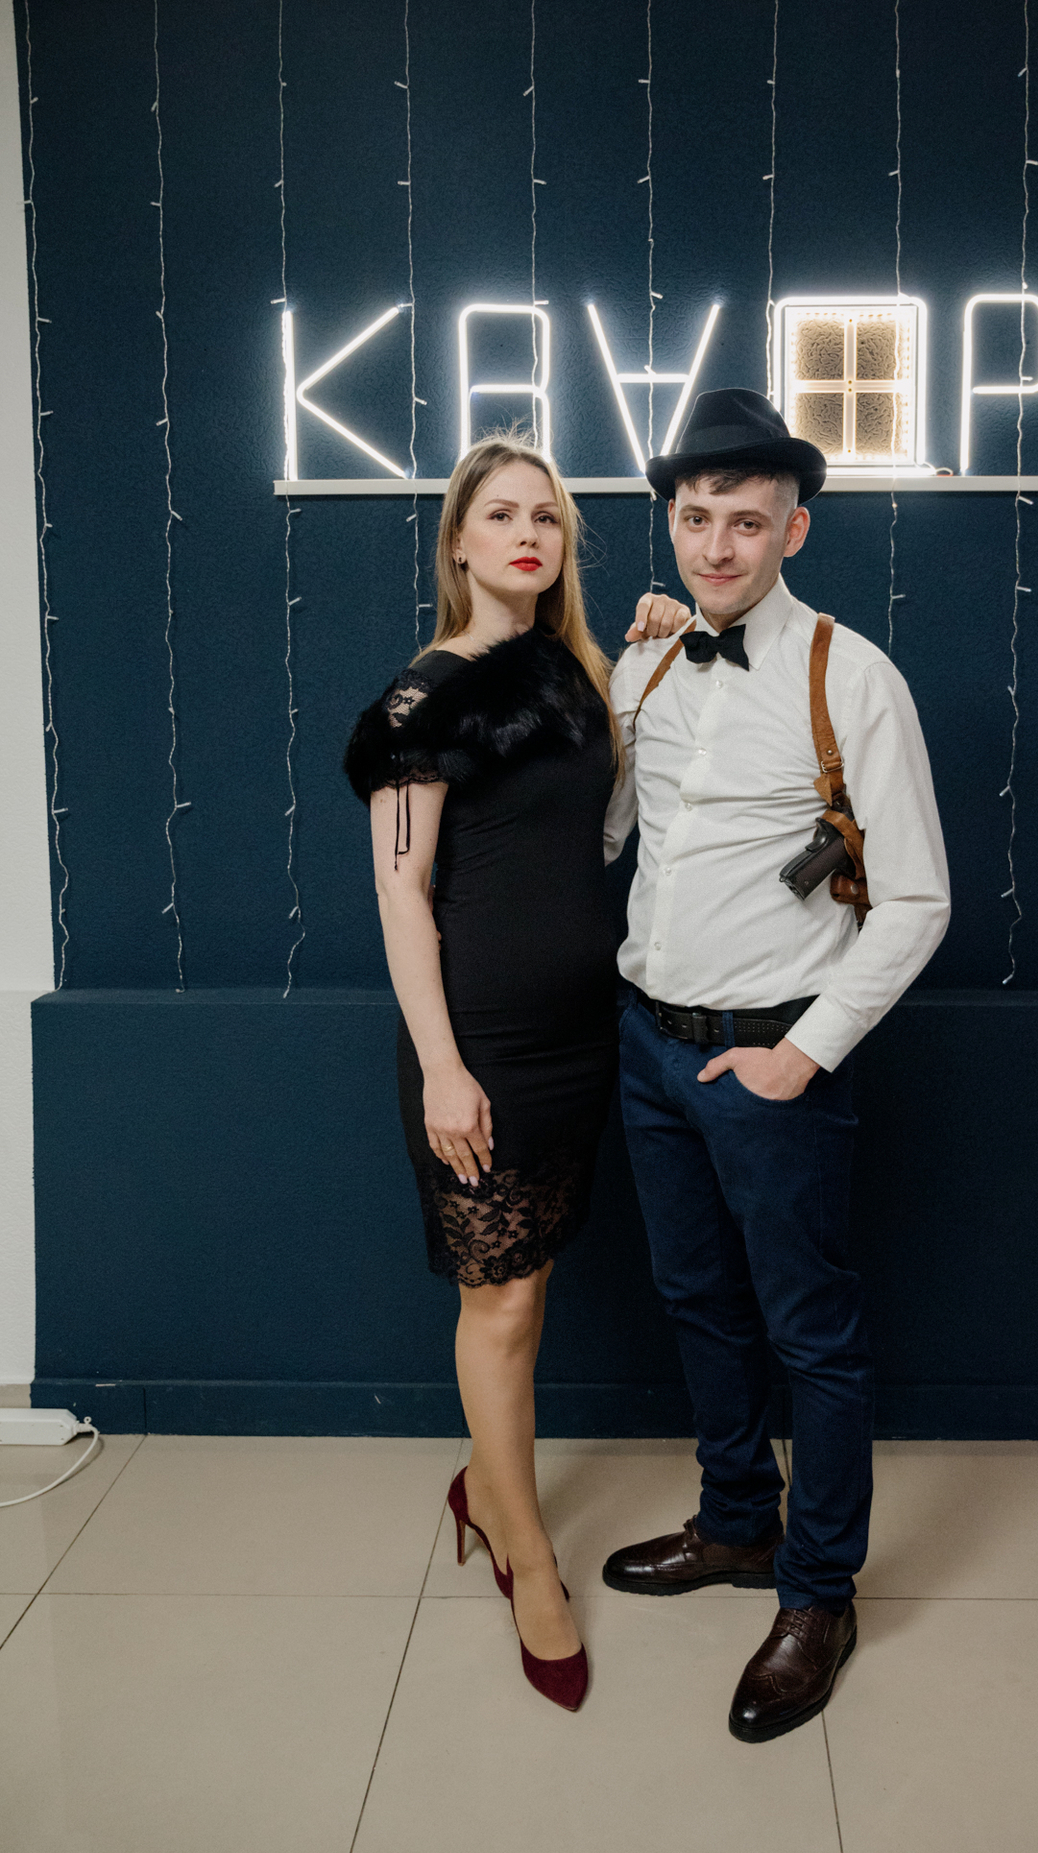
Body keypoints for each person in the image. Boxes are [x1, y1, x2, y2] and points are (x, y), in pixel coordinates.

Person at [601, 388, 950, 1742]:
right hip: (649, 1046)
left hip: (771, 1057)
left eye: (745, 522)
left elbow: (915, 900)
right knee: (697, 1302)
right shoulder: (644, 667)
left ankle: (817, 1593)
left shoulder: (850, 675)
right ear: (671, 524)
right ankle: (737, 1522)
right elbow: (612, 835)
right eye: (695, 518)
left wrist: (800, 1055)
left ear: (792, 528)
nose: (716, 545)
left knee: (813, 1333)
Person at [344, 433, 622, 1713]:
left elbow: (600, 829)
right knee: (498, 1306)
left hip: (579, 1040)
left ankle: (485, 1485)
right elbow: (402, 892)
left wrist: (648, 657)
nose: (527, 534)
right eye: (501, 514)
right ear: (457, 541)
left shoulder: (575, 674)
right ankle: (524, 1553)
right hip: (481, 1047)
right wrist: (444, 1069)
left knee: (531, 1288)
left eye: (546, 517)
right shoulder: (422, 700)